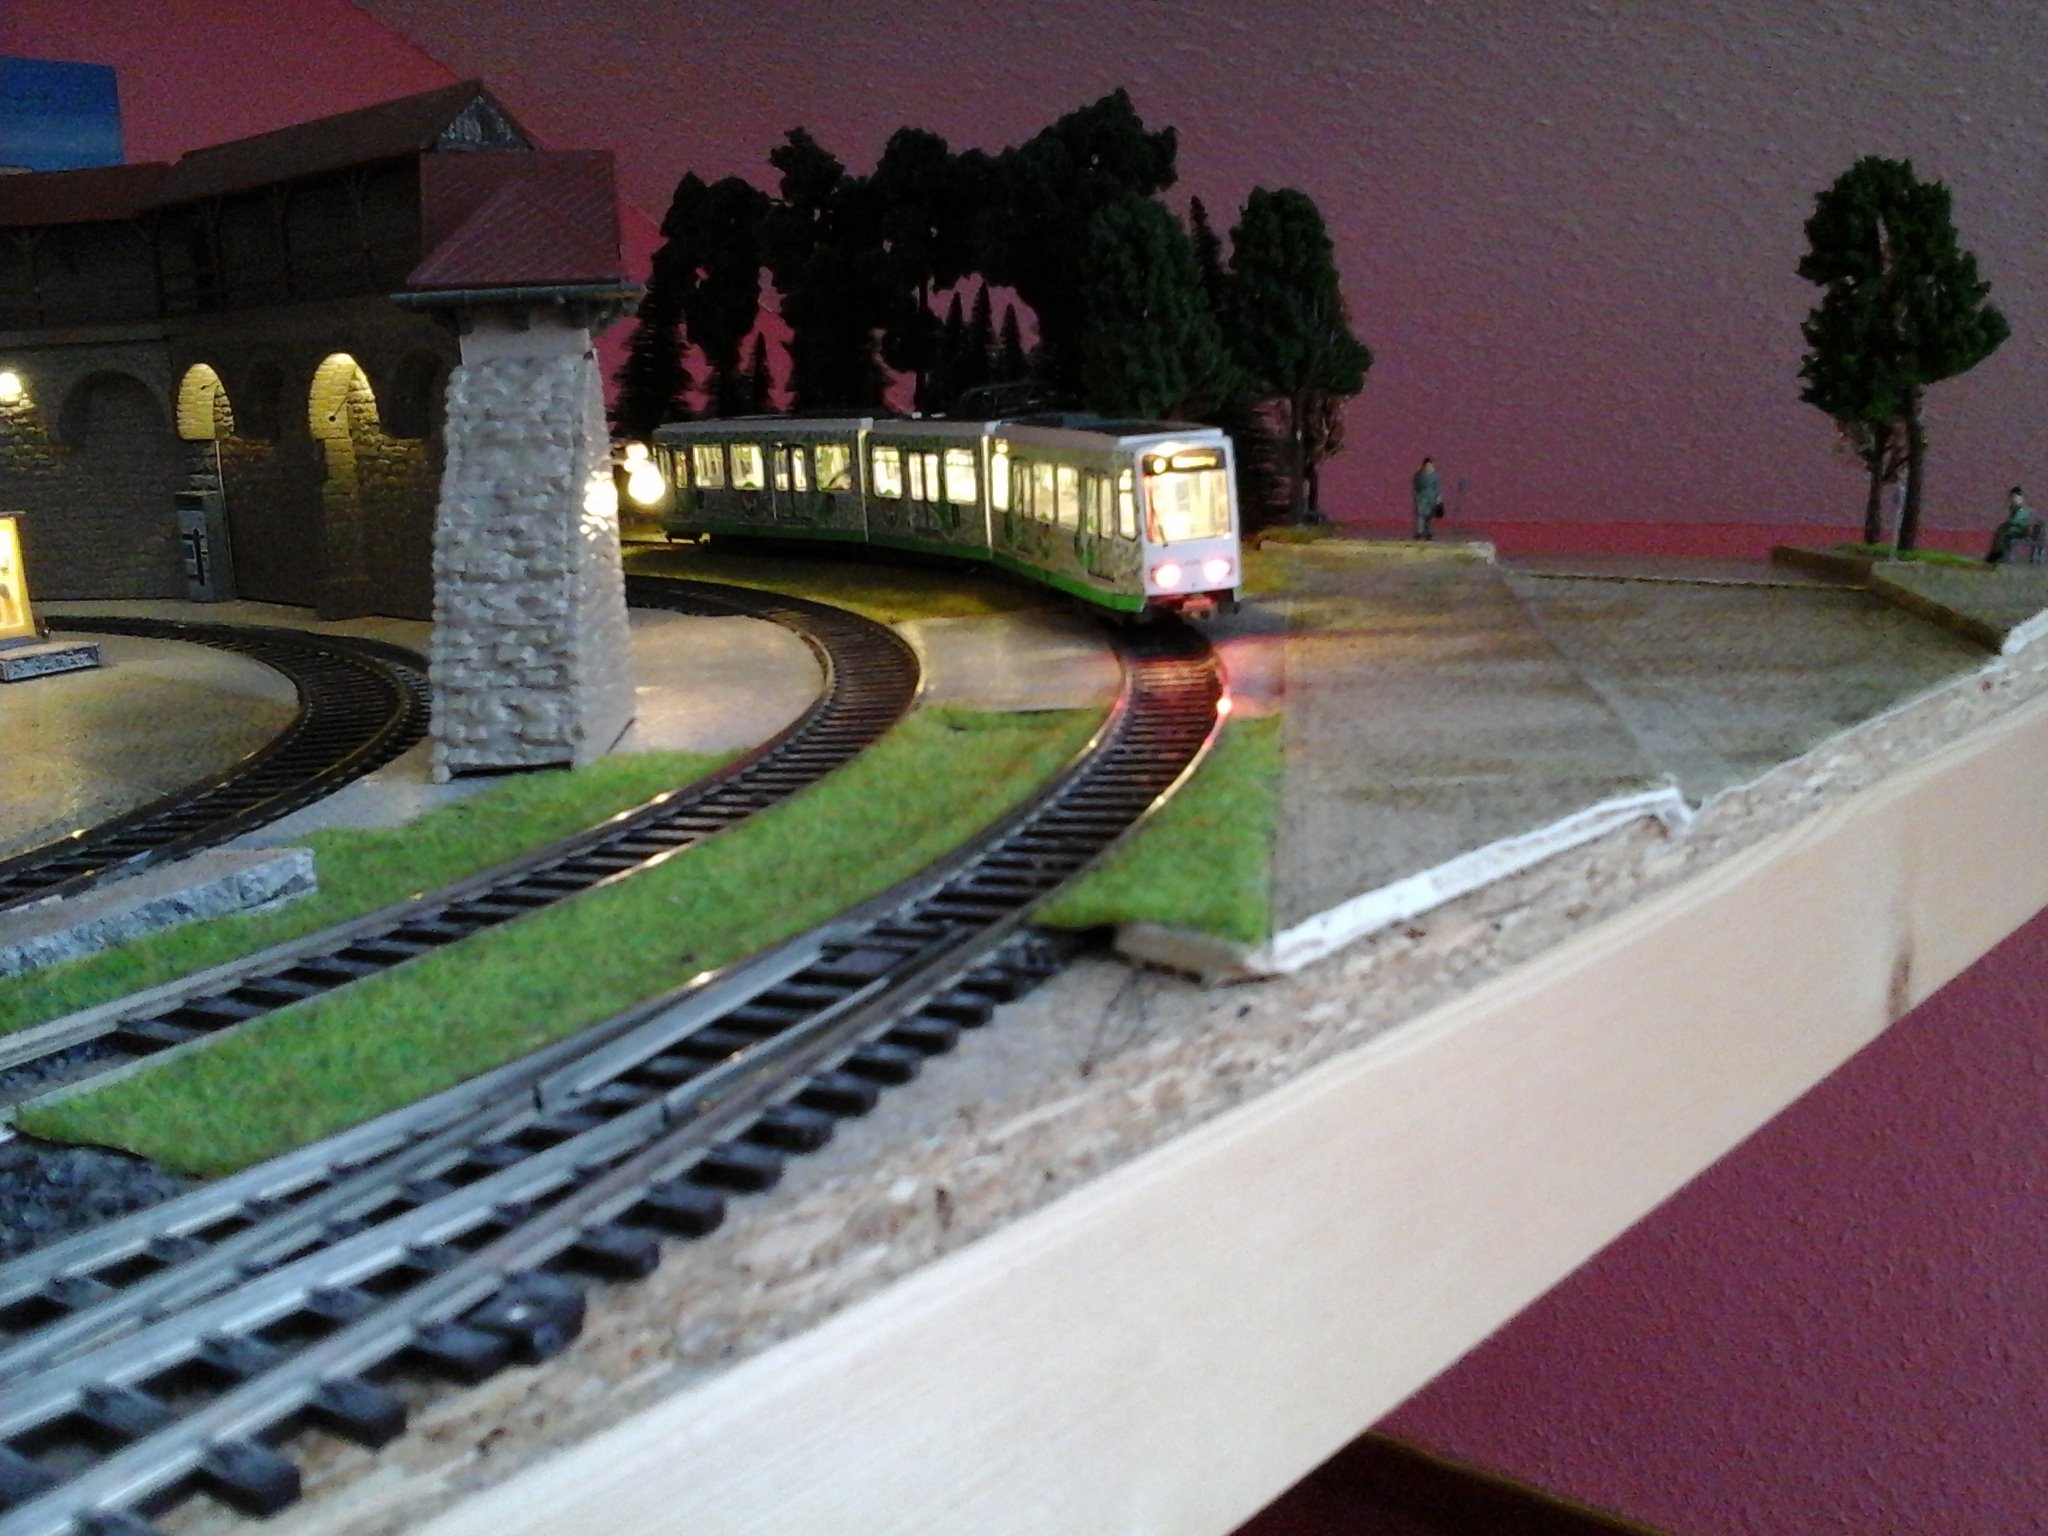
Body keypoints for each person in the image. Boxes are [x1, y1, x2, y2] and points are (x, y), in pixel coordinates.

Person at [1985, 485, 2040, 565]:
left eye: (2014, 497)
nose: (2013, 500)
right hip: (2016, 530)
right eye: (2011, 498)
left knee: (2004, 534)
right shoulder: (2014, 508)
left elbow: (2017, 522)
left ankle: (1999, 555)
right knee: (2001, 532)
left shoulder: (2023, 509)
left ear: (2020, 498)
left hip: (2024, 531)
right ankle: (1997, 553)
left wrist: (2008, 524)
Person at [1412, 457, 1444, 541]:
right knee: (1421, 516)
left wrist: (1438, 497)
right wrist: (1416, 496)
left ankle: (1428, 532)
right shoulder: (1419, 475)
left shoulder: (1435, 475)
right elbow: (1416, 486)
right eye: (1427, 465)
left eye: (1430, 465)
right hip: (1422, 498)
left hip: (1432, 498)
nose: (1428, 467)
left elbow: (1438, 487)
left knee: (1430, 517)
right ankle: (1419, 532)